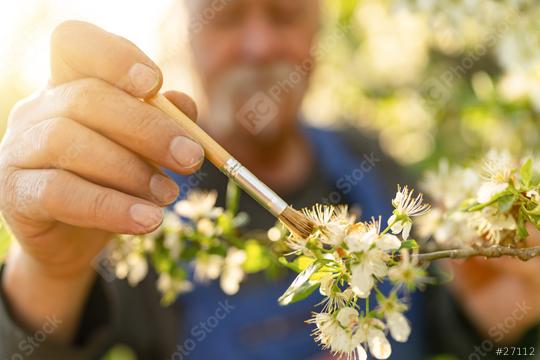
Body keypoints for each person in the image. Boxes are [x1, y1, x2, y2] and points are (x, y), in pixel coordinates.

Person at [0, 1, 539, 359]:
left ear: (317, 33)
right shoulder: (131, 202)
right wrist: (49, 269)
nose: (258, 45)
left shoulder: (369, 158)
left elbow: (431, 321)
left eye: (283, 14)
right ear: (184, 31)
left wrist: (485, 320)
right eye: (226, 16)